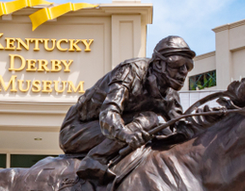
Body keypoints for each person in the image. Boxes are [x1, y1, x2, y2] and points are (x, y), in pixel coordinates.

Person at [59, 35, 228, 182]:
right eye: (178, 64)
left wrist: (211, 120)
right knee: (151, 119)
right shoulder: (130, 71)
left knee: (163, 131)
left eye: (188, 66)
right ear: (159, 64)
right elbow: (108, 113)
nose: (184, 71)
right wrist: (126, 134)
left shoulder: (170, 95)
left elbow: (180, 129)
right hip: (77, 131)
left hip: (113, 133)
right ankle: (95, 160)